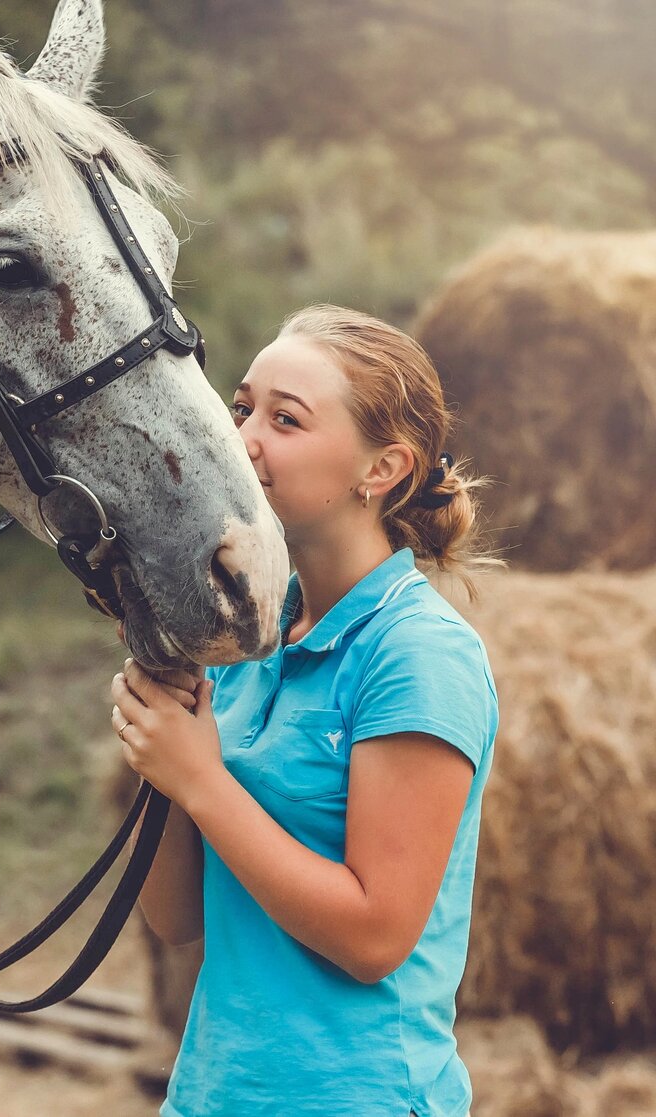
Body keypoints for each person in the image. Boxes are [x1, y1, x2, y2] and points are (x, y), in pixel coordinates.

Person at [110, 304, 499, 1117]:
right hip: (212, 1096)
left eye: (285, 420)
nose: (242, 437)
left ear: (382, 467)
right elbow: (177, 916)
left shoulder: (417, 653)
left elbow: (373, 937)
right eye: (242, 406)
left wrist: (202, 778)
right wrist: (157, 749)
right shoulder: (249, 638)